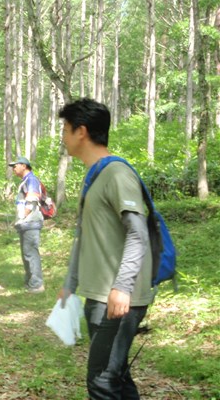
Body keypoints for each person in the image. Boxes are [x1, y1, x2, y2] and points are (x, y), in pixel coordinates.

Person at [59, 98, 154, 399]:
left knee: (101, 382)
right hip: (100, 296)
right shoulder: (95, 175)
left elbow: (137, 233)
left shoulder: (116, 174)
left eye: (65, 128)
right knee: (116, 378)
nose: (62, 135)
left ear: (81, 131)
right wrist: (71, 283)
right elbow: (85, 237)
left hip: (118, 299)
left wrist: (122, 287)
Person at [9, 156, 45, 293]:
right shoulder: (26, 181)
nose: (13, 168)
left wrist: (22, 216)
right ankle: (31, 282)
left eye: (15, 165)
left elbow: (32, 200)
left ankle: (37, 285)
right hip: (26, 223)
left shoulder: (31, 180)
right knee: (27, 254)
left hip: (30, 222)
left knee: (31, 253)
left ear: (24, 166)